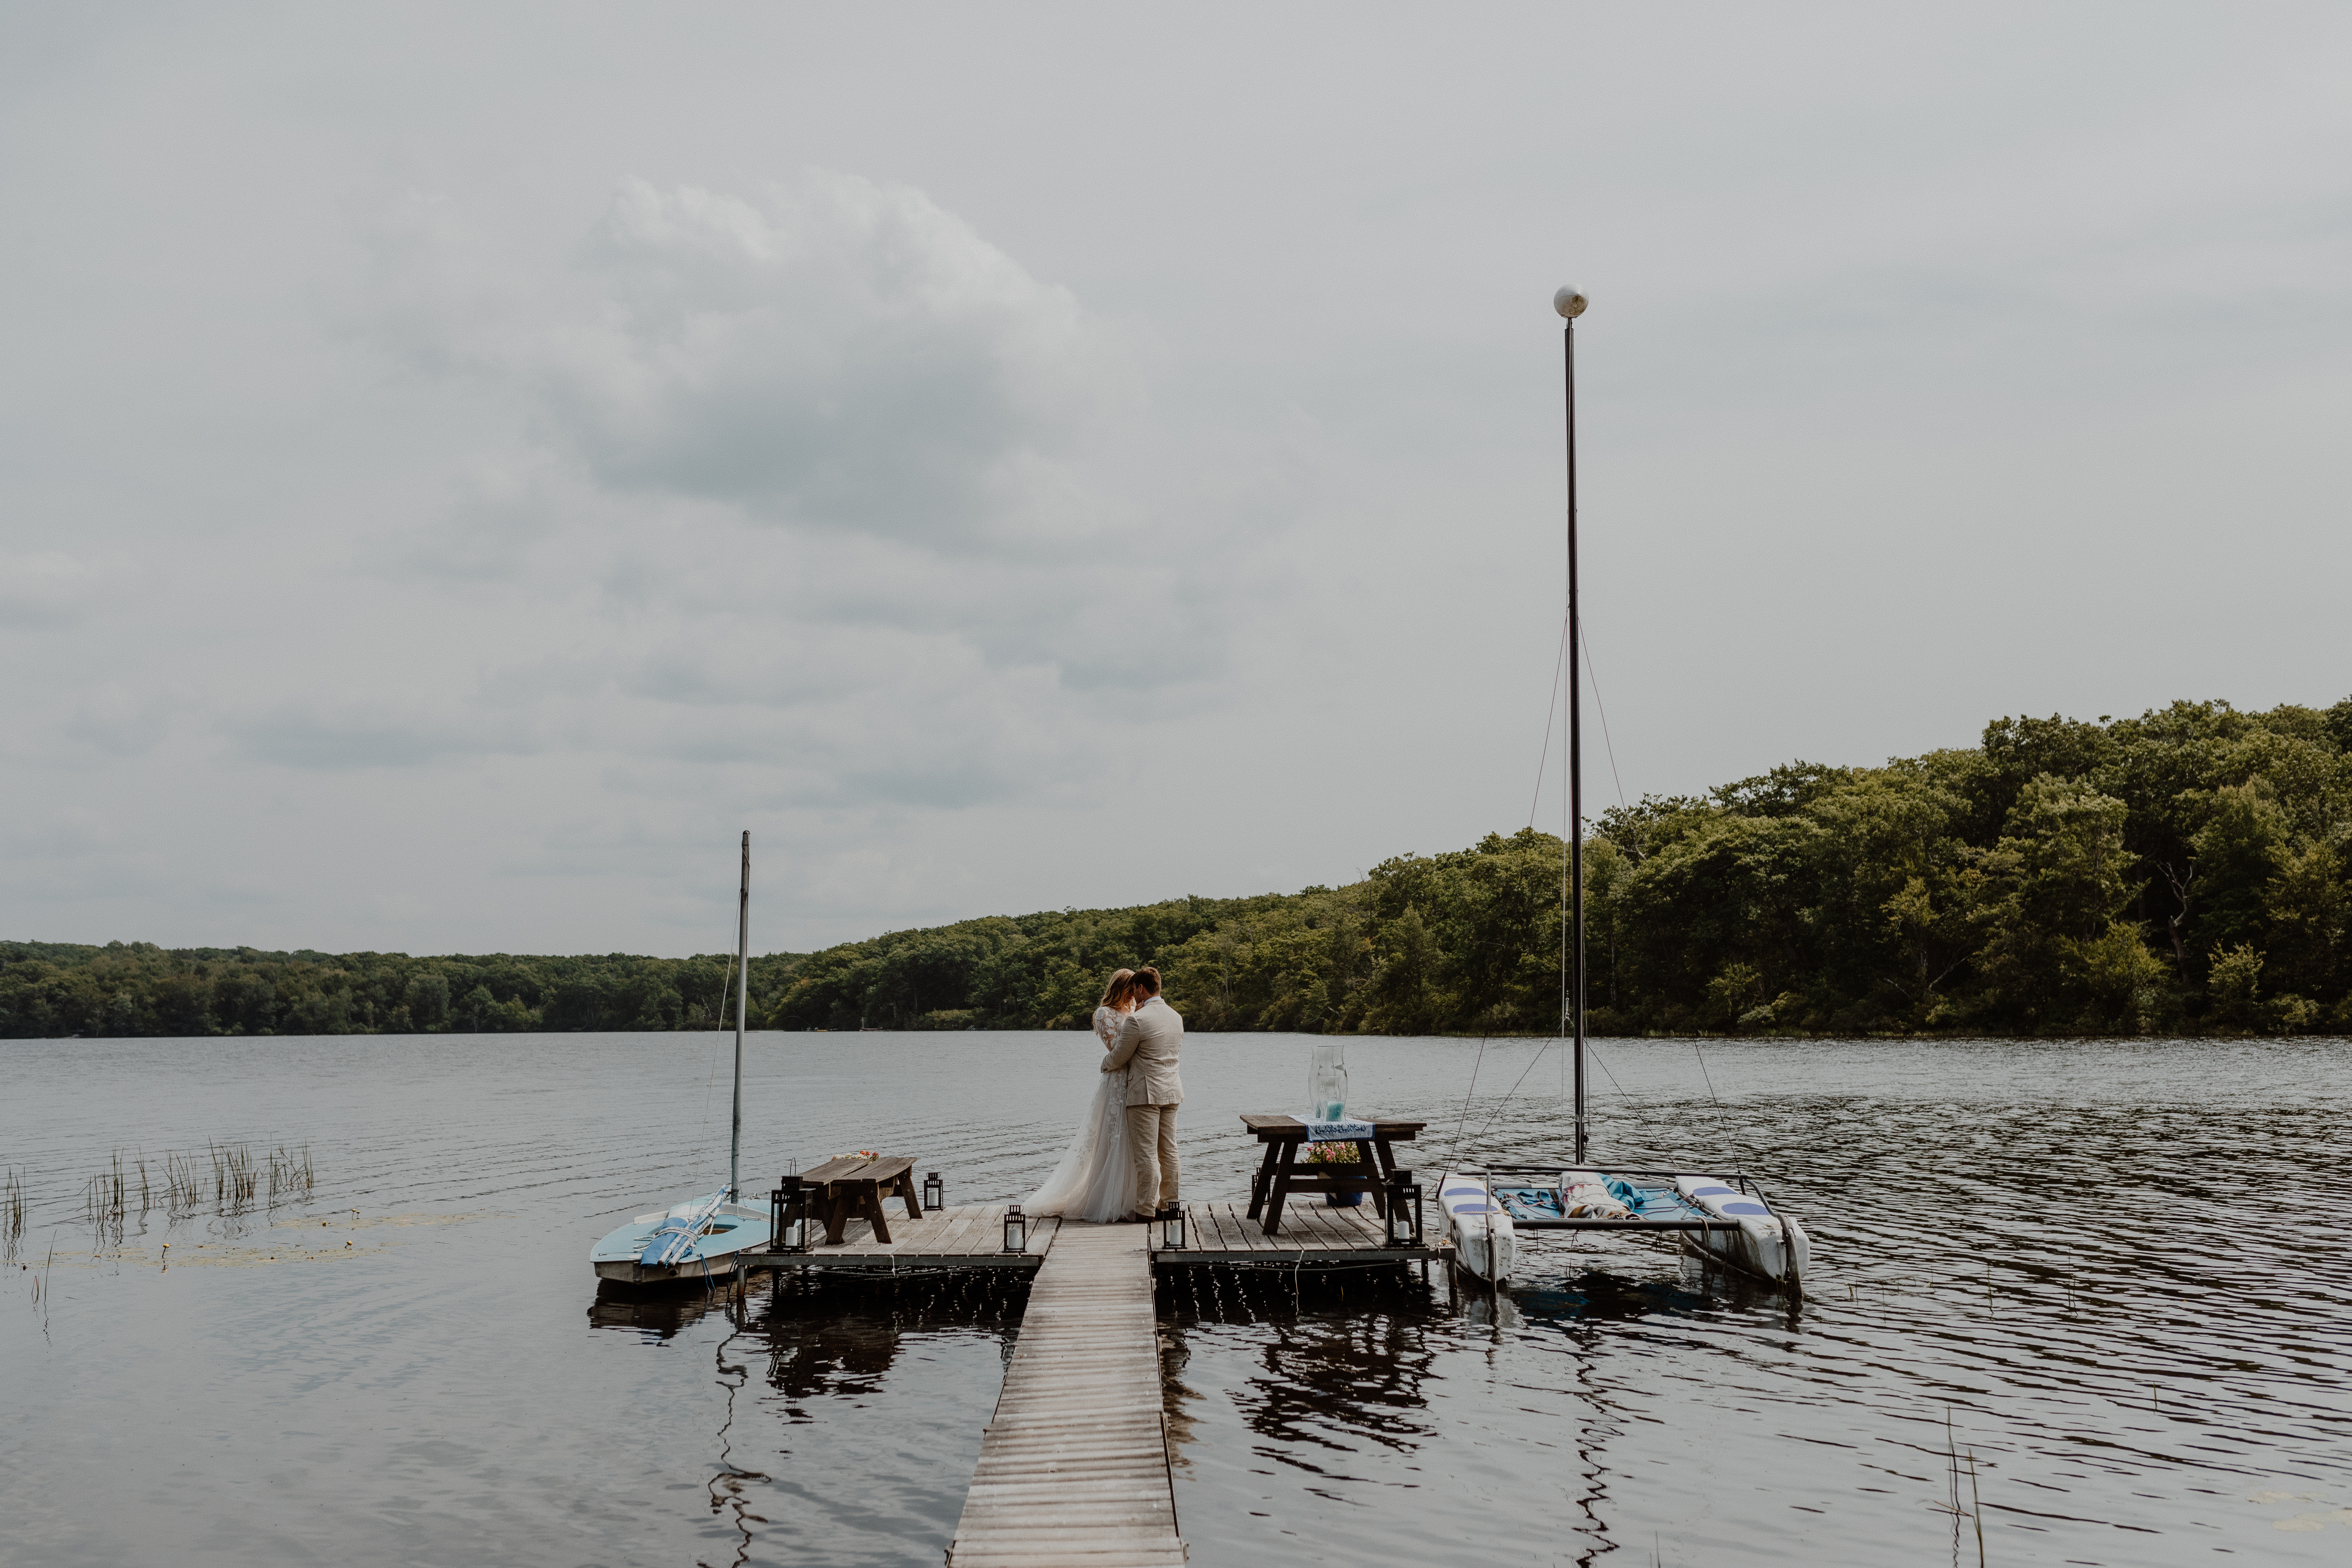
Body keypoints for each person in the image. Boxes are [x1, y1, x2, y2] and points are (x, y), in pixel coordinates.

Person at [1019, 969, 1143, 1223]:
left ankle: (1132, 1198)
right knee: (1114, 1137)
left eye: (1136, 990)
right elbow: (1117, 1049)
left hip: (1136, 1081)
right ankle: (1106, 1199)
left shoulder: (1136, 1013)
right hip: (1117, 1082)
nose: (1134, 994)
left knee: (1134, 1139)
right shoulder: (1104, 1014)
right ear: (1121, 988)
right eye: (1131, 989)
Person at [1101, 966, 1183, 1223]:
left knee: (1146, 1155)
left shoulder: (1139, 1020)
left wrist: (1104, 1064)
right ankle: (1170, 1206)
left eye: (1135, 990)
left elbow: (1119, 1057)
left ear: (1141, 989)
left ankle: (1146, 1210)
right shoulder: (1176, 1017)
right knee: (1169, 1151)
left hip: (1145, 1094)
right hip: (1172, 1091)